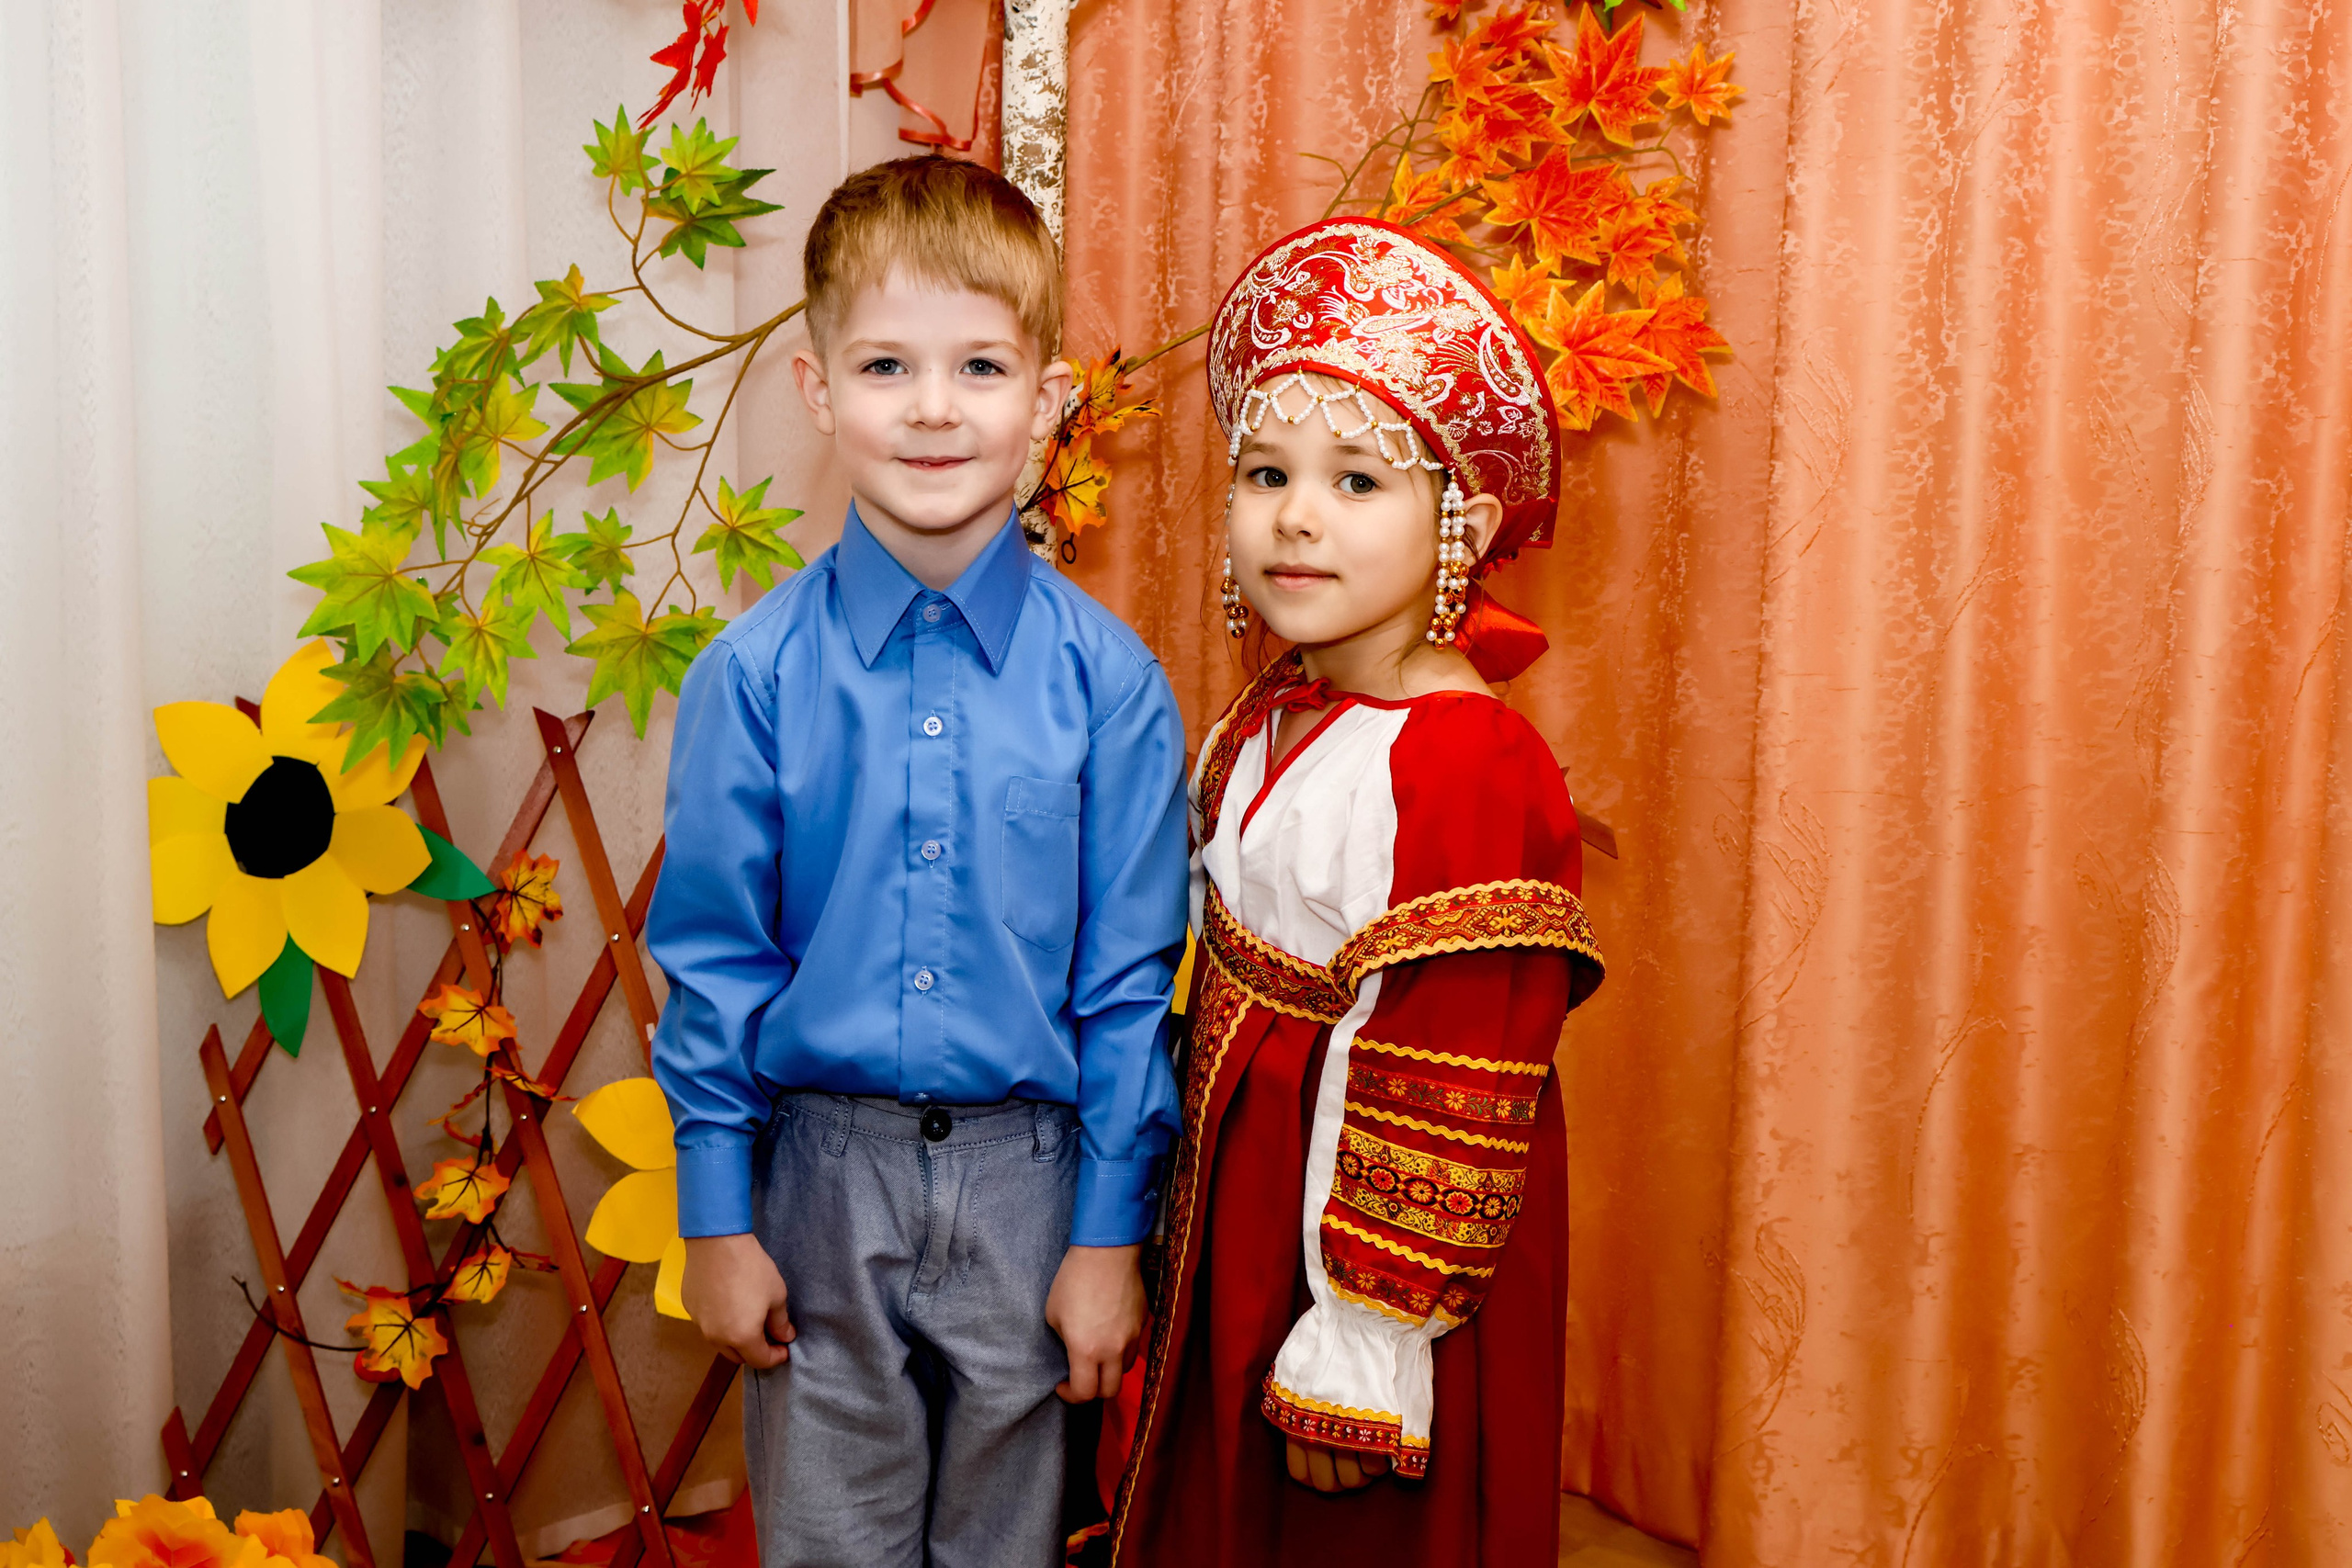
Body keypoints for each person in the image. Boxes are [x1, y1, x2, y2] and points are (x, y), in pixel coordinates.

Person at [645, 155, 1189, 1568]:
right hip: (820, 1177)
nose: (935, 408)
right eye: (887, 364)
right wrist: (716, 1215)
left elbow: (1129, 981)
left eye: (981, 365)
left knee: (1009, 1545)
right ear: (819, 393)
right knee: (829, 1541)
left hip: (1036, 1178)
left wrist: (1106, 1235)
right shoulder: (750, 677)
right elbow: (711, 959)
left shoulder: (1112, 685)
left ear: (1048, 400)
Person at [1106, 218, 1606, 1566]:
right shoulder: (1283, 705)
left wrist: (1362, 1343)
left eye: (1357, 482)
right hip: (1247, 1190)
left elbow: (1458, 1070)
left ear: (1467, 525)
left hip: (1356, 1230)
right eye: (1265, 473)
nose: (1298, 515)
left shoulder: (1469, 758)